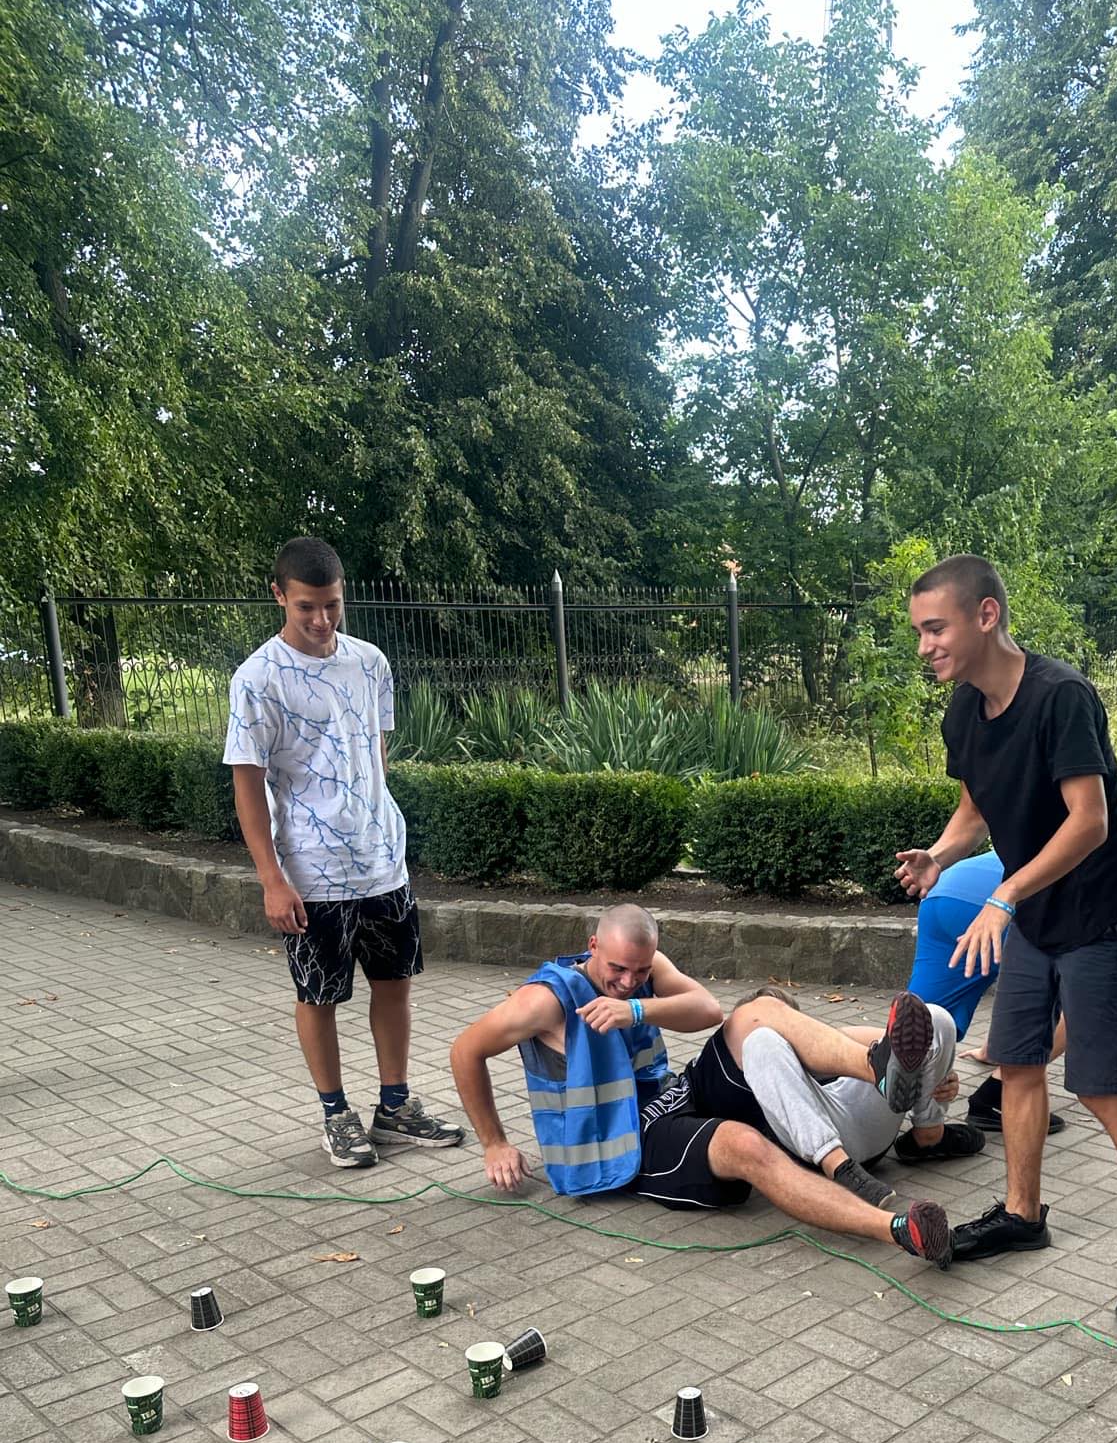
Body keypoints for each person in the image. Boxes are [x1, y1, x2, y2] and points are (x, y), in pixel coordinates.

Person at [896, 553, 1117, 1324]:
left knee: (1100, 1088)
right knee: (1019, 1067)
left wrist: (1002, 896)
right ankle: (1021, 1214)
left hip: (1096, 920)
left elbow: (1090, 820)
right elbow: (977, 809)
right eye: (918, 632)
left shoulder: (1061, 696)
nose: (924, 645)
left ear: (985, 616)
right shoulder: (963, 713)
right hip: (1033, 918)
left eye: (935, 628)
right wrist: (939, 855)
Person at [448, 905, 955, 1266]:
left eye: (640, 970)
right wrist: (494, 1143)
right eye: (617, 970)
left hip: (674, 1094)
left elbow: (708, 1010)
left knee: (756, 1014)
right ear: (592, 946)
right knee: (743, 1143)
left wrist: (637, 1008)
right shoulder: (543, 1001)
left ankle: (884, 1070)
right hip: (620, 1143)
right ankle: (896, 1230)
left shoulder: (644, 974)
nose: (629, 980)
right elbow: (464, 1051)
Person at [225, 536, 463, 1169]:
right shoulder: (257, 679)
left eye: (332, 604)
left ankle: (395, 1106)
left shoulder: (370, 663)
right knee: (319, 995)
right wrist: (272, 878)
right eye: (306, 606)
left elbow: (372, 754)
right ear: (279, 595)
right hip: (310, 872)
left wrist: (379, 825)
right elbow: (247, 784)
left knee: (395, 986)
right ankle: (337, 1114)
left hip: (383, 861)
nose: (321, 619)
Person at [906, 849, 1117, 1134]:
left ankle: (870, 1094)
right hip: (1003, 908)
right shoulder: (1107, 928)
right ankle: (996, 1097)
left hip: (942, 894)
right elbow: (1064, 1015)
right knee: (1061, 1006)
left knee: (919, 1023)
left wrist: (991, 1050)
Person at [691, 985, 982, 1204]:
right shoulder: (738, 1059)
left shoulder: (828, 1040)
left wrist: (938, 1078)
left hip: (864, 1125)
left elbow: (908, 1050)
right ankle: (839, 1168)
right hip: (816, 1148)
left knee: (936, 1017)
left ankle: (929, 1135)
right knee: (760, 1041)